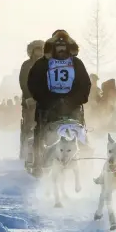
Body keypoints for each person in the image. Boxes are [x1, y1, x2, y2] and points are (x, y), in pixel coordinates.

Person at [27, 30, 91, 177]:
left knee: (80, 132)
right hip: (48, 106)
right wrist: (49, 99)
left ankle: (85, 161)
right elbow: (34, 84)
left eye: (64, 46)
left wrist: (72, 100)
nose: (61, 50)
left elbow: (85, 84)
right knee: (40, 132)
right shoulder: (42, 64)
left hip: (72, 106)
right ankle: (38, 163)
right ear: (53, 47)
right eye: (58, 46)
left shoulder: (76, 63)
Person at [19, 40, 44, 159]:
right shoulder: (27, 65)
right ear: (32, 51)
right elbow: (23, 82)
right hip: (29, 102)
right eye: (37, 50)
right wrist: (28, 97)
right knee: (29, 125)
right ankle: (26, 150)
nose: (39, 52)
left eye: (41, 50)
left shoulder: (47, 64)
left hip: (43, 100)